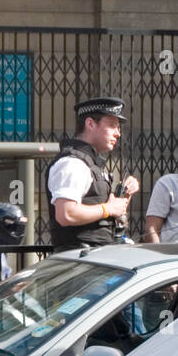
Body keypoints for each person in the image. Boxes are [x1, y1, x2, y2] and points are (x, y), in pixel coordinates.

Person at [46, 96, 140, 253]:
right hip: (79, 263)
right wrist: (108, 208)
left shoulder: (91, 164)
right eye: (112, 126)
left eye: (118, 127)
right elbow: (66, 214)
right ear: (90, 124)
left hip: (93, 259)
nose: (118, 133)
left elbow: (109, 221)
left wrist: (123, 199)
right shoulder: (72, 164)